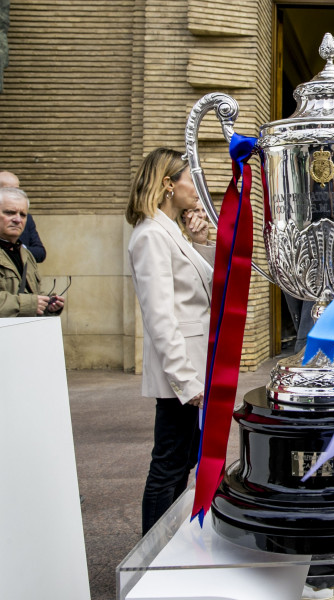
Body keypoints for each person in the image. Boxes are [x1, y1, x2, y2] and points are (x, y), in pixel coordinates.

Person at [126, 148, 215, 535]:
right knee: (168, 464)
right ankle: (151, 555)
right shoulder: (150, 235)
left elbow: (201, 287)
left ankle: (168, 540)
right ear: (167, 185)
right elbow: (160, 317)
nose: (198, 188)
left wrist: (199, 241)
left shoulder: (171, 232)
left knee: (183, 460)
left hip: (193, 366)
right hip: (181, 374)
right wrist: (185, 381)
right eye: (190, 179)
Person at [0, 186, 64, 316]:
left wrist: (47, 304)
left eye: (23, 215)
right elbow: (27, 302)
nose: (18, 219)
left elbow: (29, 293)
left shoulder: (25, 253)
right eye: (9, 212)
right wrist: (30, 304)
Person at [0, 170, 45, 262]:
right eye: (9, 213)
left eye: (17, 190)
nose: (17, 219)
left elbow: (40, 253)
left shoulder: (27, 219)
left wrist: (17, 248)